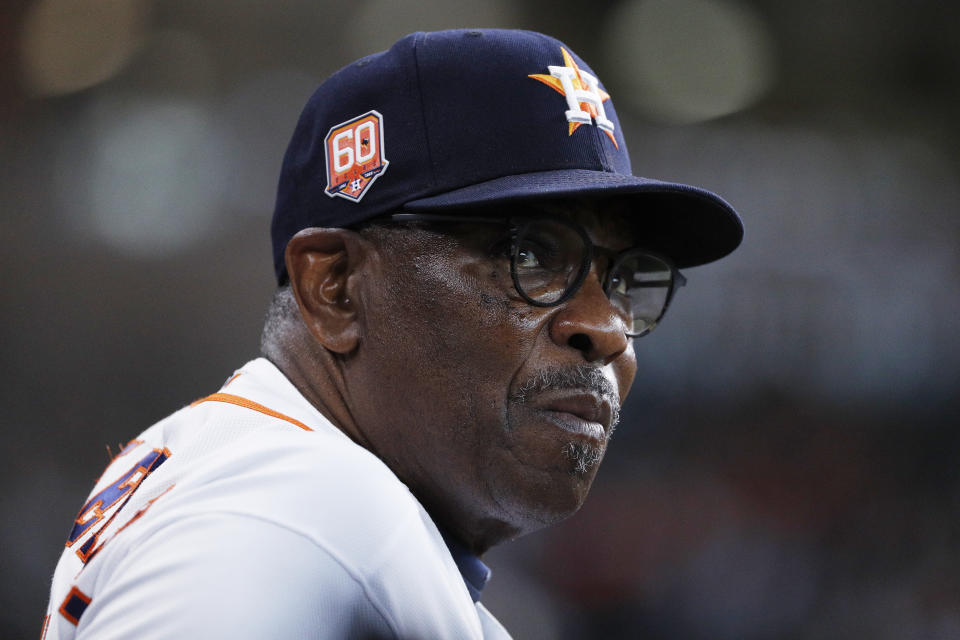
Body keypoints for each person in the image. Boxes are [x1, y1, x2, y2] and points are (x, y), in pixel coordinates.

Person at [42, 28, 742, 639]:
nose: (605, 328)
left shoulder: (248, 468)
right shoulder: (303, 505)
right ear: (336, 288)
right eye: (531, 254)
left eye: (622, 279)